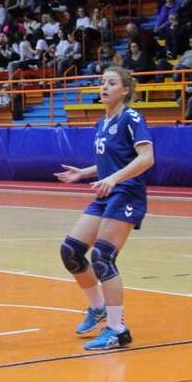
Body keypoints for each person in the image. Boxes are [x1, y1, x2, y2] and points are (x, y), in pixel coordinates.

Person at [54, 66, 154, 350]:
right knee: (71, 252)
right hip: (106, 192)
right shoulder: (102, 123)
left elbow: (146, 158)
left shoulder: (131, 118)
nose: (104, 87)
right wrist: (83, 173)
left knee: (102, 257)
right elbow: (111, 162)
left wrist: (112, 178)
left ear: (125, 90)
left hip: (127, 193)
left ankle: (116, 329)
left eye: (112, 83)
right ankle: (97, 308)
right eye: (102, 82)